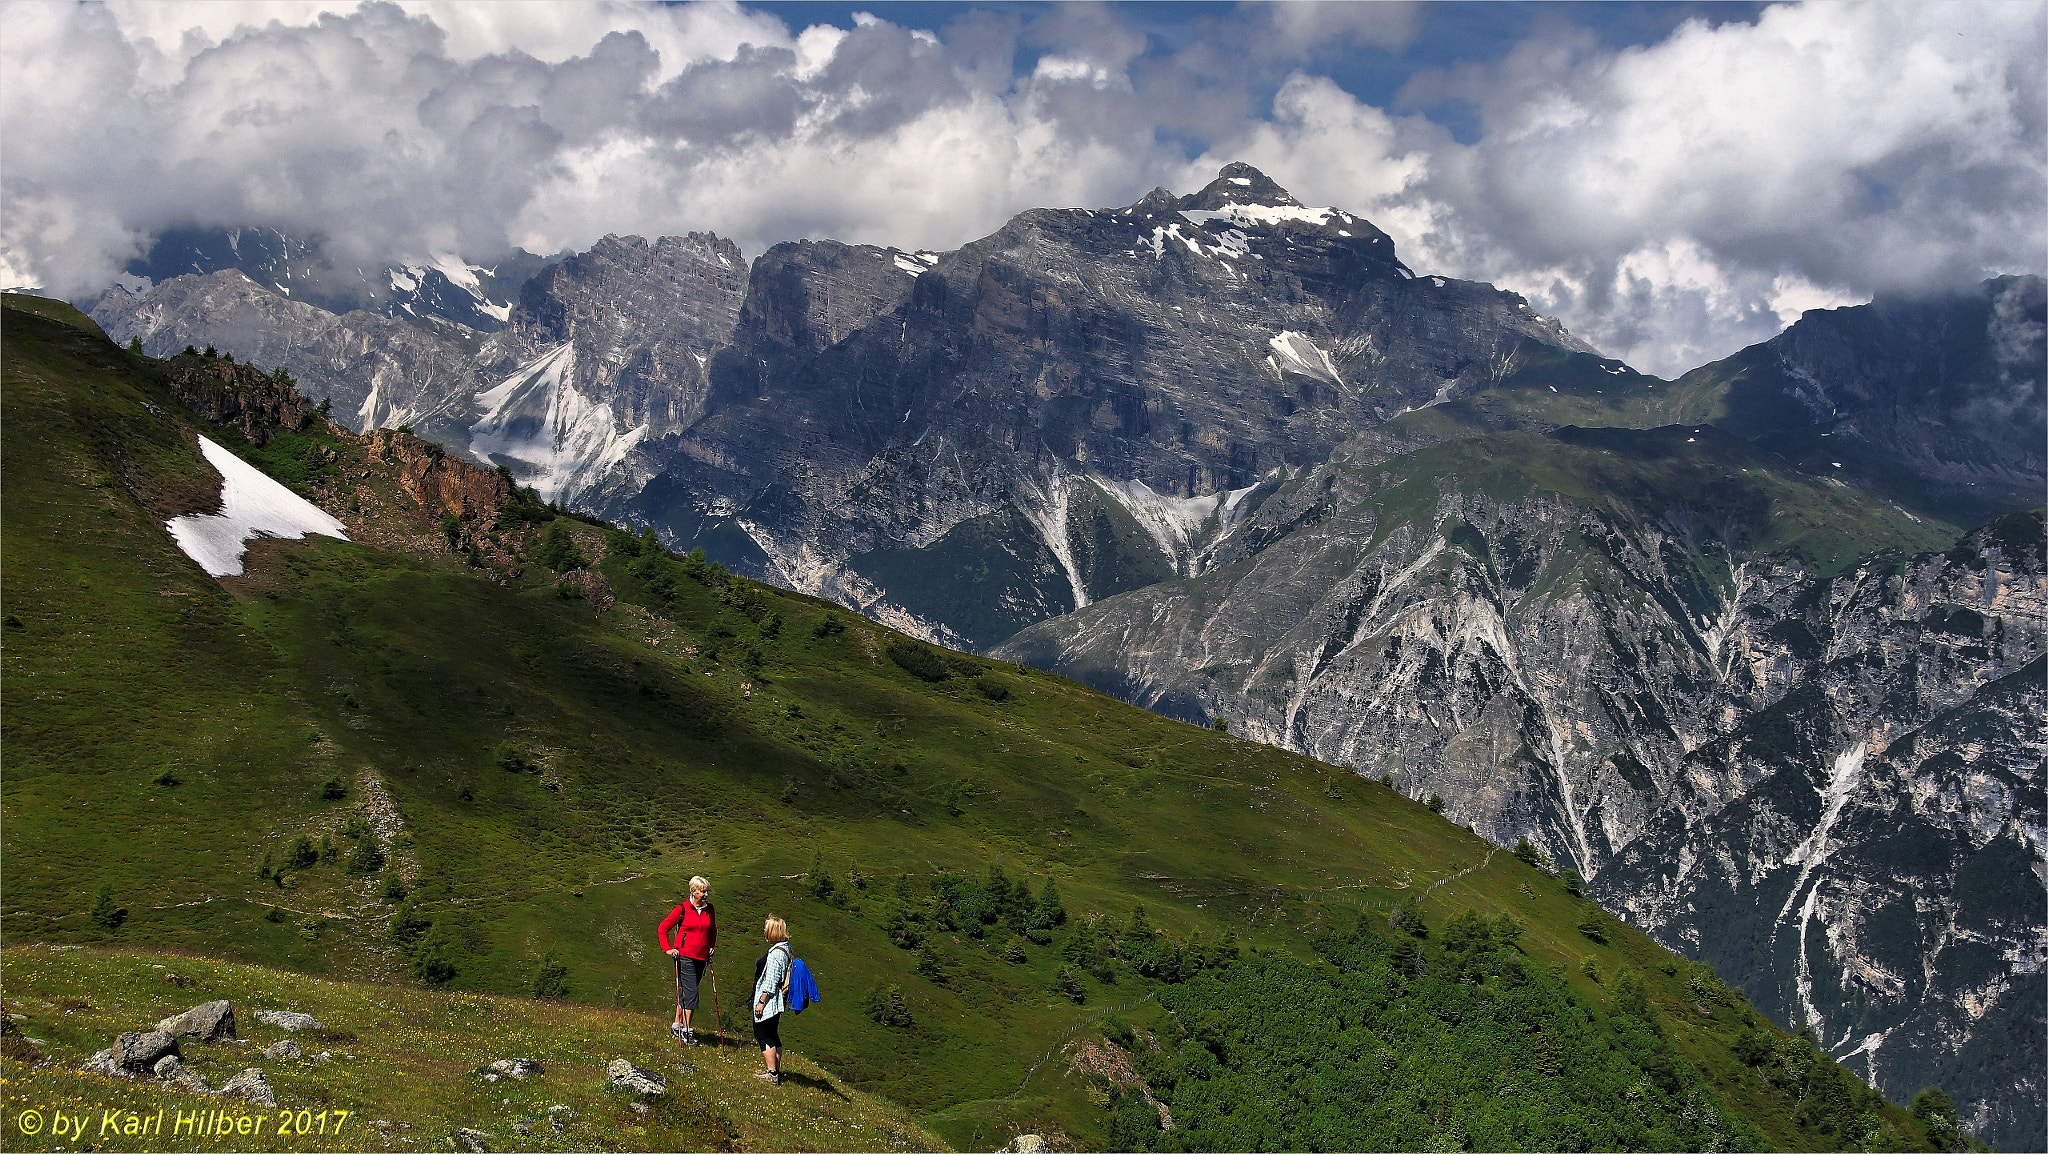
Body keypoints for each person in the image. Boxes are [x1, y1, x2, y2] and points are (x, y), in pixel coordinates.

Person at [657, 876, 717, 1045]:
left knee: (688, 990)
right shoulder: (682, 909)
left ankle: (677, 1025)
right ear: (693, 891)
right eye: (702, 891)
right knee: (691, 993)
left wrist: (711, 945)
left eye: (707, 891)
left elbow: (712, 930)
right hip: (684, 956)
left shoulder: (709, 909)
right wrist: (667, 948)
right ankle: (686, 1030)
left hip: (702, 957)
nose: (705, 894)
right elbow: (663, 928)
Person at [751, 915, 792, 1084]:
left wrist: (761, 1001)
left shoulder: (776, 954)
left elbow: (771, 980)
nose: (764, 931)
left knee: (762, 1033)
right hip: (778, 1000)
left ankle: (772, 1072)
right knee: (773, 1033)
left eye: (766, 928)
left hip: (770, 1000)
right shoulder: (785, 948)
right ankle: (775, 1068)